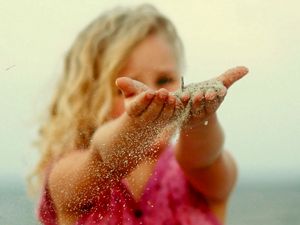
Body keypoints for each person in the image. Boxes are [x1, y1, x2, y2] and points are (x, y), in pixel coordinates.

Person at [33, 4, 248, 225]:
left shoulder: (196, 172)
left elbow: (203, 160)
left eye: (164, 80)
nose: (156, 94)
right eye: (123, 90)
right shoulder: (68, 175)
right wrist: (135, 126)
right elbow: (102, 157)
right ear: (89, 99)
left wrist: (198, 118)